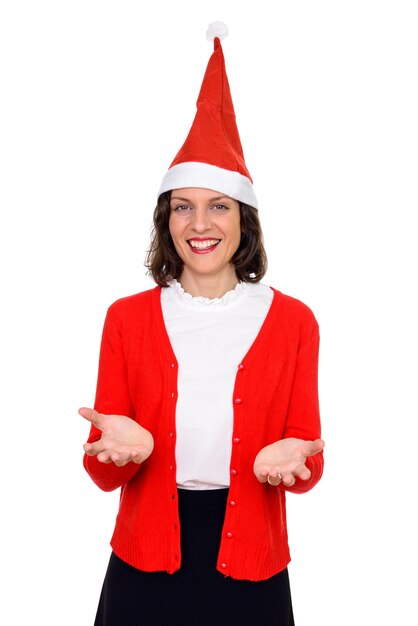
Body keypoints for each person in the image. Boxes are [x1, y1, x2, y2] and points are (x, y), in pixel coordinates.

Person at [80, 22, 324, 626]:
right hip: (144, 554)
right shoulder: (126, 318)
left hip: (251, 557)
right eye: (182, 206)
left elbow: (309, 459)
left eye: (218, 205)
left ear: (244, 219)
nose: (200, 222)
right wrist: (122, 453)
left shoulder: (293, 321)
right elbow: (99, 464)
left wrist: (294, 463)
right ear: (167, 221)